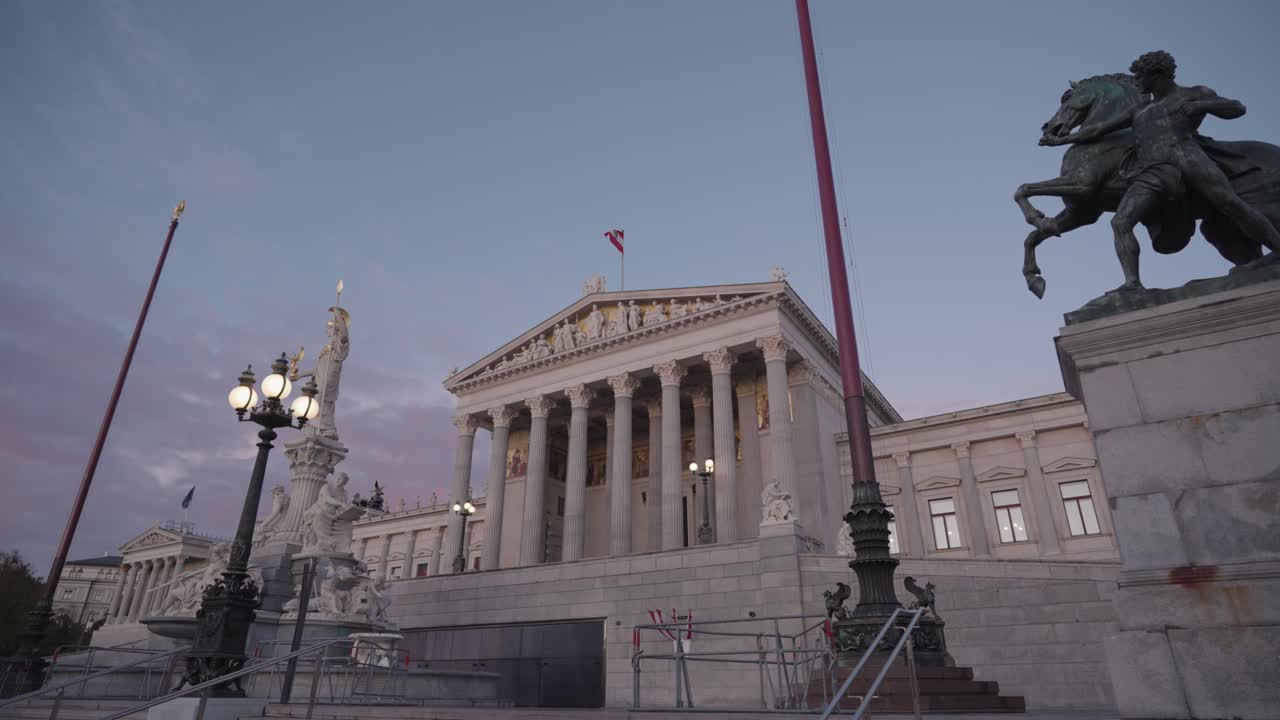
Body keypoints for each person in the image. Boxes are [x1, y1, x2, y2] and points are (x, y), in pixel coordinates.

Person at [1043, 51, 1280, 289]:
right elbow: (1098, 130)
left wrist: (1201, 105)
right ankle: (1132, 284)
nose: (1136, 82)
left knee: (1230, 204)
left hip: (1188, 159)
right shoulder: (1141, 109)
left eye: (1140, 76)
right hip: (1154, 170)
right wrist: (1061, 141)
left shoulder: (1192, 93)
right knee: (1121, 222)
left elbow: (1236, 108)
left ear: (1156, 75)